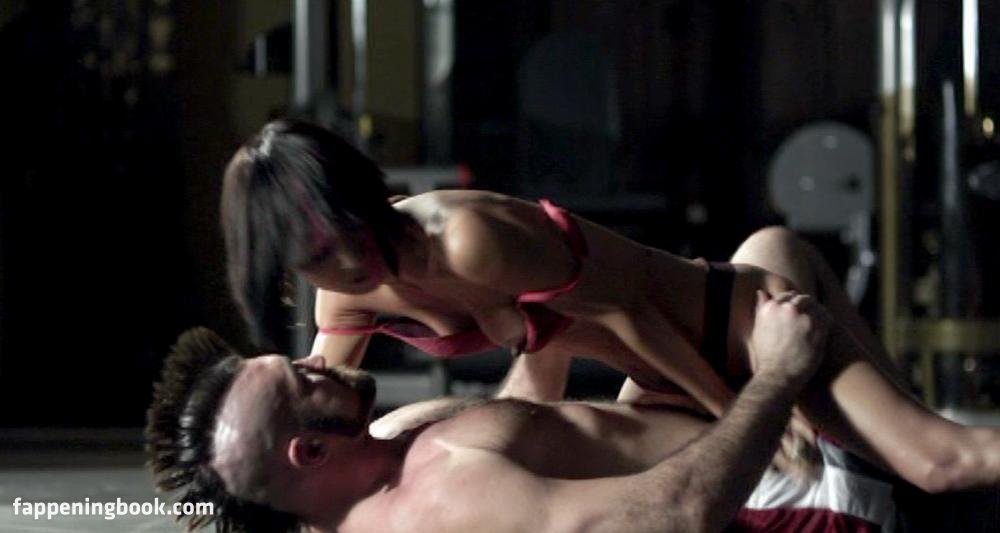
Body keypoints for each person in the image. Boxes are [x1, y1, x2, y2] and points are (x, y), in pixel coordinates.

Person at [220, 118, 1000, 492]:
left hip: (727, 324)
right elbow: (320, 405)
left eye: (346, 234)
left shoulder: (465, 242)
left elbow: (634, 318)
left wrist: (745, 413)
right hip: (659, 378)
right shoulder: (344, 289)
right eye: (316, 259)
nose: (348, 265)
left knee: (941, 463)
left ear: (359, 194)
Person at [147, 291, 879, 532]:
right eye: (301, 379)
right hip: (797, 501)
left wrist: (528, 314)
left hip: (717, 437)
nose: (317, 359)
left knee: (738, 282)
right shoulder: (440, 508)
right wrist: (779, 375)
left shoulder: (388, 449)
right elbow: (680, 513)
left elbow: (523, 426)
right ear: (309, 452)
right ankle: (930, 473)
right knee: (777, 264)